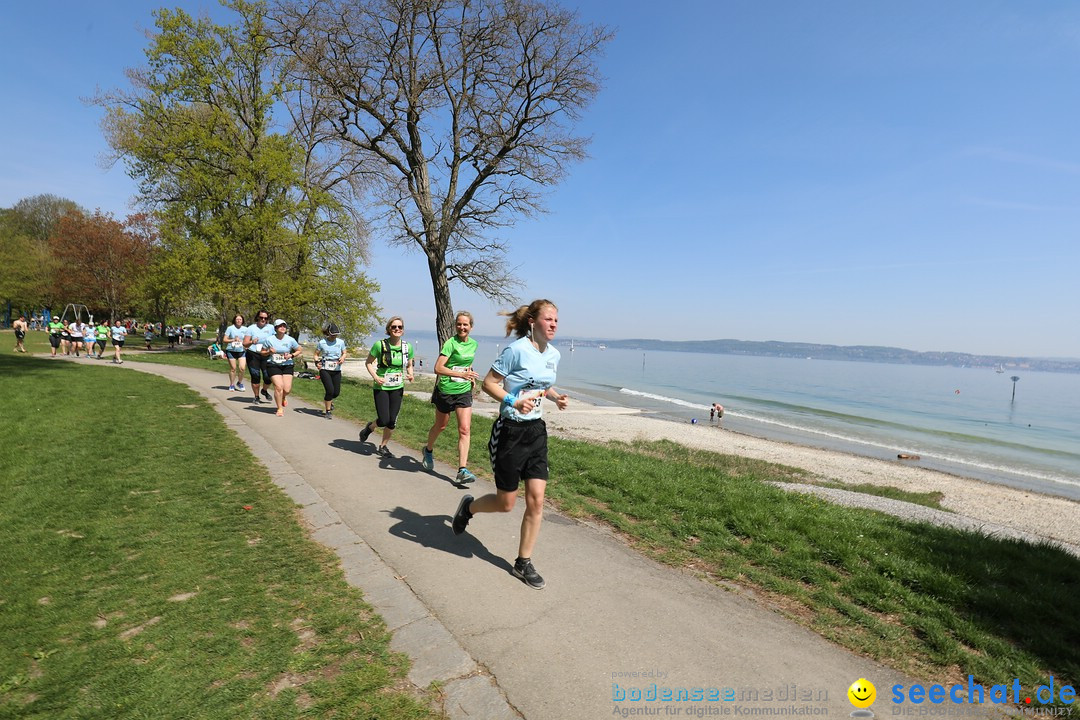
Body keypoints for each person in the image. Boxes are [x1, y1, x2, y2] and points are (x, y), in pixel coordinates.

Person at [451, 299, 569, 590]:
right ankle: (469, 509)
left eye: (557, 320)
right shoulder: (515, 351)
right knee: (506, 503)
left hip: (537, 432)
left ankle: (523, 562)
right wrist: (513, 400)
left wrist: (555, 398)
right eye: (549, 319)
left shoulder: (553, 354)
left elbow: (541, 383)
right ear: (533, 322)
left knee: (537, 500)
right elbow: (488, 383)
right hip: (510, 431)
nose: (554, 324)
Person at [421, 311, 480, 482]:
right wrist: (459, 374)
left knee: (464, 429)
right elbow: (438, 368)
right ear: (455, 326)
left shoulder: (474, 344)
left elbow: (467, 362)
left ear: (471, 327)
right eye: (459, 324)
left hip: (464, 391)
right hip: (446, 390)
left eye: (465, 324)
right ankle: (428, 450)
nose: (462, 327)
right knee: (441, 426)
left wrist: (469, 374)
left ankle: (462, 470)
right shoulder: (450, 343)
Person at [359, 316, 414, 458]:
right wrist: (376, 377)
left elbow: (409, 364)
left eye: (400, 327)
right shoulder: (380, 345)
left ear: (403, 330)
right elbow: (368, 363)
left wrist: (410, 374)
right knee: (383, 420)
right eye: (394, 327)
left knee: (392, 420)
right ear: (388, 329)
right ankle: (370, 428)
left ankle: (383, 446)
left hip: (397, 387)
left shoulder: (407, 347)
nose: (397, 329)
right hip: (382, 387)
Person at [260, 319, 301, 417]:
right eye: (280, 326)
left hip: (287, 365)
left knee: (286, 390)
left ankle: (283, 397)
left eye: (284, 326)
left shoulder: (290, 339)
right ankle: (279, 408)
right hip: (273, 364)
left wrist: (291, 355)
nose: (282, 328)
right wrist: (269, 352)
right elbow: (262, 352)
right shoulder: (269, 340)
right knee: (278, 387)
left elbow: (299, 349)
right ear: (276, 328)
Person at [314, 323, 348, 419]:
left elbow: (344, 352)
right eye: (332, 334)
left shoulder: (340, 342)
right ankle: (328, 411)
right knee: (330, 390)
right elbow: (316, 354)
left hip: (336, 369)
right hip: (325, 369)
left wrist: (343, 357)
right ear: (328, 333)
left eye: (336, 334)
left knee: (336, 392)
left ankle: (330, 401)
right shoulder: (322, 343)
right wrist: (317, 362)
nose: (334, 336)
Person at [243, 311, 275, 404]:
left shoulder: (271, 328)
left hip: (267, 354)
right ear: (257, 317)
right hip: (253, 354)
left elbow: (276, 338)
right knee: (255, 375)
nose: (263, 320)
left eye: (265, 318)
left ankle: (264, 390)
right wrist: (252, 342)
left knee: (268, 377)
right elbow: (245, 343)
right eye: (261, 317)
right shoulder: (251, 328)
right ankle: (256, 397)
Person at [222, 314, 248, 392]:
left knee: (242, 368)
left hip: (241, 351)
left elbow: (248, 340)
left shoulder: (246, 329)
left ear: (242, 320)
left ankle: (239, 382)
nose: (239, 321)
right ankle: (232, 384)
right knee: (233, 368)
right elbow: (225, 339)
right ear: (234, 320)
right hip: (231, 350)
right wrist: (232, 340)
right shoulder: (230, 328)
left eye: (240, 319)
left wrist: (243, 342)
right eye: (237, 319)